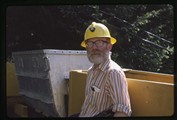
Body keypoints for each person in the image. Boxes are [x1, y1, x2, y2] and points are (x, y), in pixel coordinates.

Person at [72, 22, 132, 117]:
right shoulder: (91, 71)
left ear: (109, 46)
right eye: (90, 44)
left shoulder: (113, 73)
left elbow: (122, 112)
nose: (94, 48)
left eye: (99, 43)